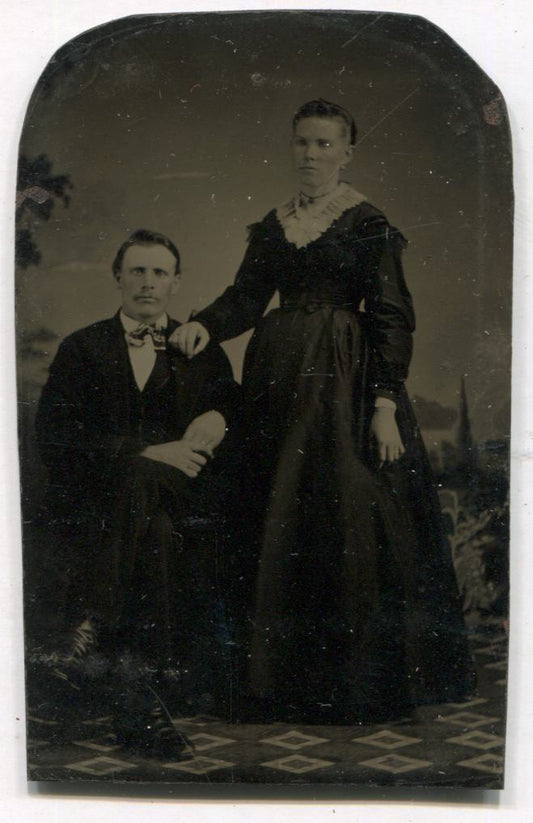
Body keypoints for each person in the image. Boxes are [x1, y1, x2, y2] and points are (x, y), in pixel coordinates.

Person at [171, 99, 476, 724]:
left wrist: (385, 404)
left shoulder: (367, 223)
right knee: (274, 507)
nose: (312, 155)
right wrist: (204, 324)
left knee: (342, 511)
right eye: (302, 143)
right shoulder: (273, 224)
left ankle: (348, 679)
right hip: (277, 380)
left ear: (347, 152)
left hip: (345, 382)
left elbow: (392, 315)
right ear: (292, 146)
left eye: (325, 144)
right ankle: (273, 679)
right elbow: (246, 298)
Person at [31, 229, 239, 756]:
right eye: (138, 271)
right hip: (102, 503)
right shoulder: (83, 347)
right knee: (156, 537)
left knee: (155, 509)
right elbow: (55, 437)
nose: (148, 283)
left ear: (176, 282)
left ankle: (89, 627)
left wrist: (220, 417)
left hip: (186, 496)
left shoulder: (199, 348)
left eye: (159, 272)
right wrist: (144, 453)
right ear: (118, 277)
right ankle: (138, 708)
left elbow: (242, 416)